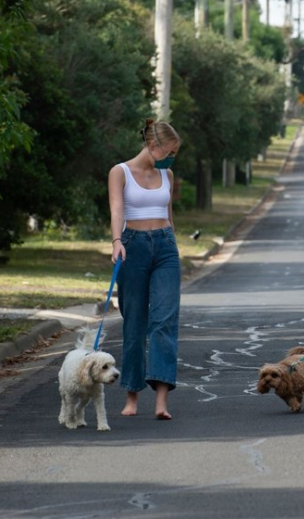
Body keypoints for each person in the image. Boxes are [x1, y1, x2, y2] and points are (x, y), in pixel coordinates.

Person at [108, 118, 182, 420]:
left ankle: (162, 401)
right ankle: (132, 396)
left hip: (165, 247)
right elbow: (116, 209)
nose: (172, 156)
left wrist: (174, 245)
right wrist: (116, 241)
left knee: (164, 321)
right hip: (132, 246)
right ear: (154, 146)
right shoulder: (120, 172)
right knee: (134, 323)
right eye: (170, 150)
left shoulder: (168, 173)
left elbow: (169, 213)